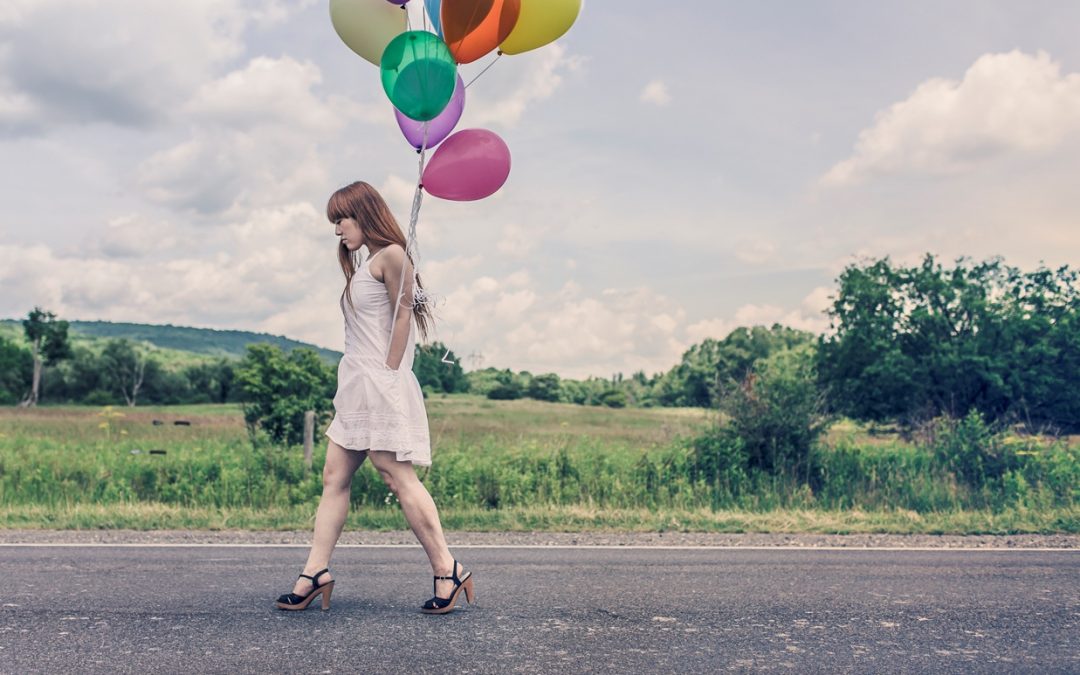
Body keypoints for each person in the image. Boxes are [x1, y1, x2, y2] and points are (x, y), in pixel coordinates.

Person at [275, 181, 474, 614]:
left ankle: (448, 568)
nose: (337, 230)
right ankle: (315, 572)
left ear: (364, 213)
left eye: (341, 219)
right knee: (334, 477)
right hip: (355, 387)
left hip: (381, 383)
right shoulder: (365, 264)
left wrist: (388, 375)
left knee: (395, 475)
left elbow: (402, 317)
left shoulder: (392, 256)